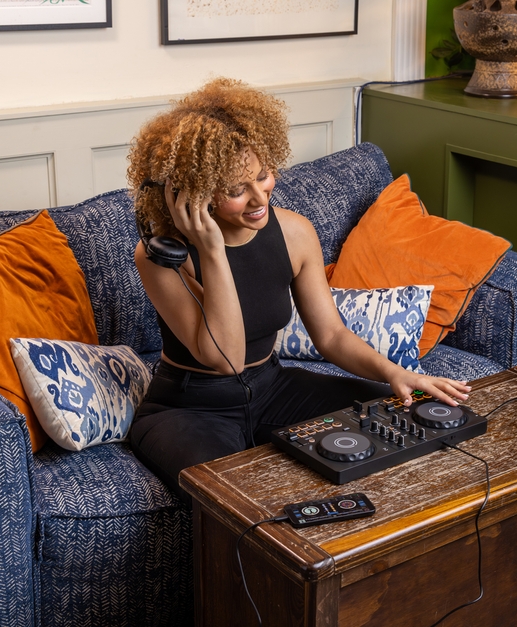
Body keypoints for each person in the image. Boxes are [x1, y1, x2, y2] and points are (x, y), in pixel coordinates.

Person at [127, 77, 471, 501]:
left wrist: (397, 374)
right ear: (193, 194)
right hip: (189, 408)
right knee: (233, 500)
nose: (259, 199)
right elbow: (225, 358)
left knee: (404, 419)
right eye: (236, 190)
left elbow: (331, 336)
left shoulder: (294, 233)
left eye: (263, 176)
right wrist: (212, 250)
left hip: (274, 387)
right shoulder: (163, 255)